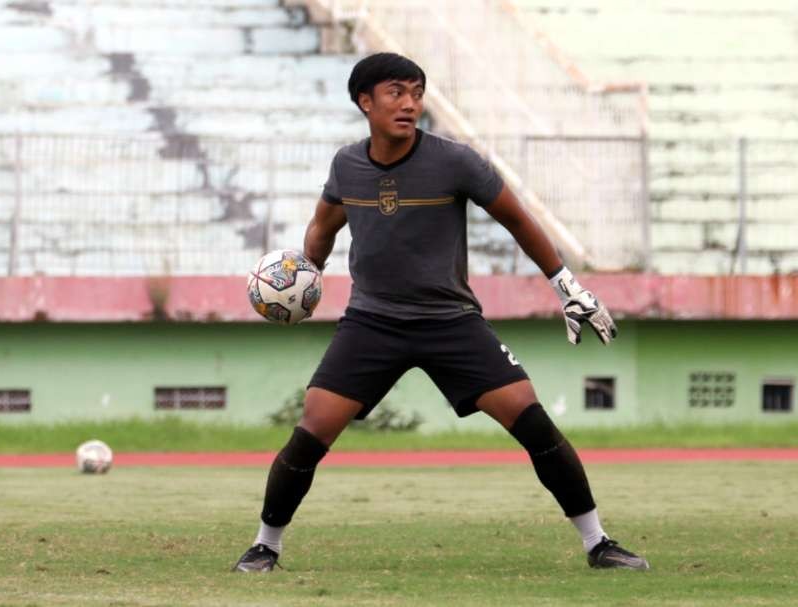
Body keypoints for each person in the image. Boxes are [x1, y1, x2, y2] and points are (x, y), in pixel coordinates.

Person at [233, 53, 648, 572]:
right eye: (395, 93)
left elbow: (518, 219)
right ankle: (264, 546)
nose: (409, 104)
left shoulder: (455, 162)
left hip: (450, 322)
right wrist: (303, 277)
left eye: (416, 93)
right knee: (312, 430)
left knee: (534, 425)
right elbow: (323, 223)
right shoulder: (347, 165)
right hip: (372, 323)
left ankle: (598, 544)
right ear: (365, 102)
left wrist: (566, 285)